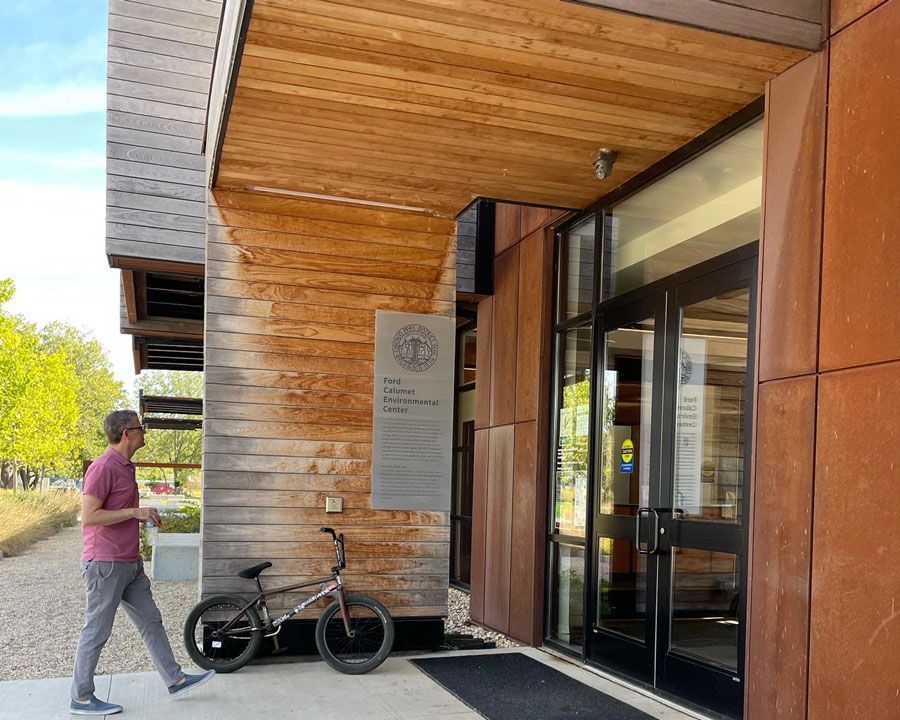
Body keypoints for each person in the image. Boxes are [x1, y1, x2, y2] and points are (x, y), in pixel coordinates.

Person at [70, 410, 214, 715]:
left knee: (151, 621)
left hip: (130, 563)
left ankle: (175, 679)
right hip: (105, 564)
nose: (144, 432)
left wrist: (141, 517)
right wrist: (136, 512)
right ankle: (81, 697)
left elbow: (118, 510)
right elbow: (90, 516)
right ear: (126, 433)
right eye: (140, 427)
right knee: (97, 630)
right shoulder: (103, 467)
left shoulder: (126, 466)